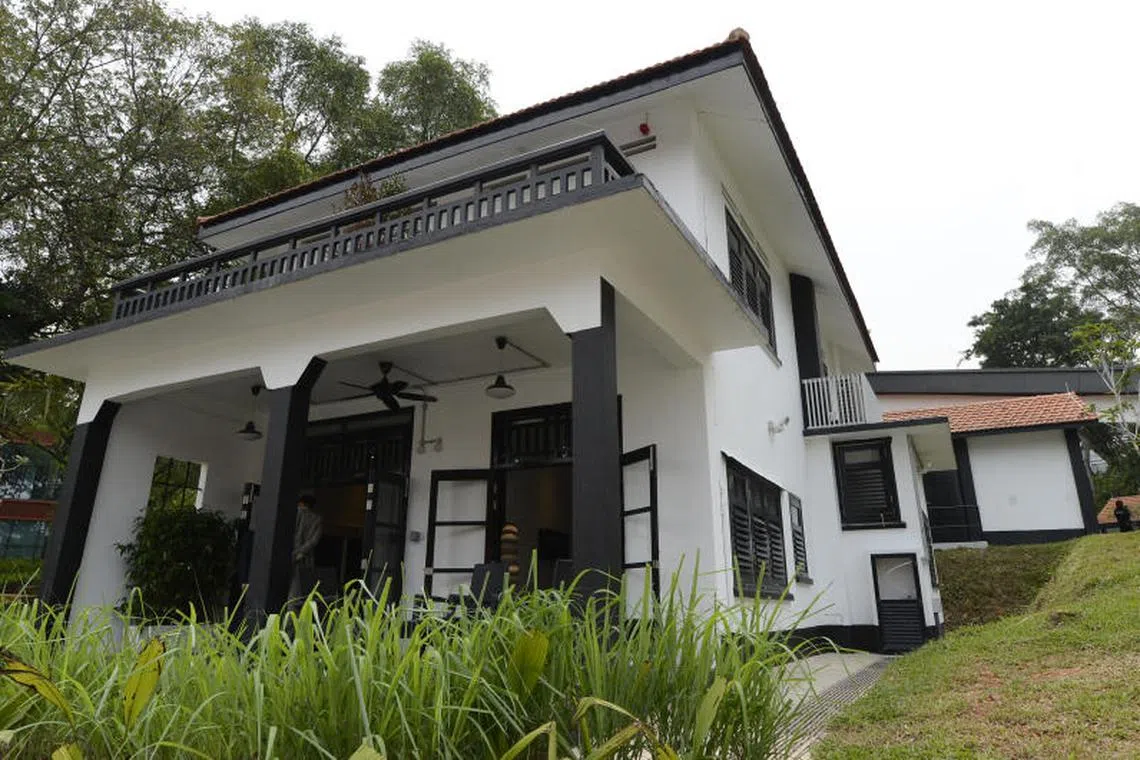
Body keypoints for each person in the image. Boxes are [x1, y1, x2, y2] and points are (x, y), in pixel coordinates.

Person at [289, 494, 323, 603]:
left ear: (301, 502)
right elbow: (314, 541)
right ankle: (292, 614)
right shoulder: (317, 519)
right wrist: (302, 552)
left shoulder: (295, 513)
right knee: (298, 590)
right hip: (305, 557)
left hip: (290, 553)